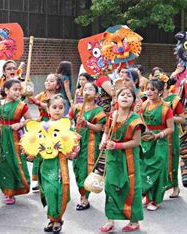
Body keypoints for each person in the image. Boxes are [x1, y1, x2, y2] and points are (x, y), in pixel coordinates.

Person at [100, 87, 146, 233]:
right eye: (122, 94)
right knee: (110, 186)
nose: (125, 97)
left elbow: (136, 142)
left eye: (129, 95)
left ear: (133, 101)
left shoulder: (135, 120)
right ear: (117, 98)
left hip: (129, 158)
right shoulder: (111, 115)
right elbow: (106, 132)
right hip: (113, 157)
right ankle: (110, 220)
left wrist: (117, 145)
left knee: (131, 187)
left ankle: (134, 221)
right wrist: (103, 141)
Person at [37, 94, 77, 233]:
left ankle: (57, 219)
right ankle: (52, 218)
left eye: (61, 107)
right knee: (48, 192)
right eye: (54, 107)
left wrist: (73, 152)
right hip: (46, 165)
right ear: (48, 109)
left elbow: (74, 144)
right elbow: (34, 144)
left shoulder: (67, 126)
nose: (57, 110)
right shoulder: (42, 126)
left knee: (59, 192)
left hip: (60, 164)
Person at [0, 79, 32, 205]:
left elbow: (29, 120)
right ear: (6, 90)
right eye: (15, 89)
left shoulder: (22, 105)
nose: (18, 92)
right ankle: (6, 190)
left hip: (14, 137)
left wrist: (20, 124)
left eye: (19, 90)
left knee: (14, 162)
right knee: (2, 163)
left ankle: (13, 191)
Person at [69, 82, 106, 210]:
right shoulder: (76, 108)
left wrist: (87, 124)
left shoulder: (99, 111)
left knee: (86, 170)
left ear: (96, 94)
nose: (87, 91)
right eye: (85, 89)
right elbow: (68, 121)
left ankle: (84, 198)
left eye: (91, 89)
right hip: (76, 142)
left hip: (90, 143)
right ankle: (82, 193)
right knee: (77, 169)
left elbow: (99, 128)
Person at [140, 79, 174, 211]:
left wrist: (158, 135)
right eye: (147, 89)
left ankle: (155, 200)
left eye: (153, 90)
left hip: (159, 142)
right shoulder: (143, 105)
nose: (149, 92)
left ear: (160, 92)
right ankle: (148, 195)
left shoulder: (166, 107)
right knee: (145, 168)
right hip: (145, 141)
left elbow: (170, 128)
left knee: (157, 169)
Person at [28, 73, 63, 192]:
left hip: (53, 125)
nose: (48, 82)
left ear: (58, 85)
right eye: (47, 80)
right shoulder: (41, 94)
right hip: (42, 124)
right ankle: (39, 180)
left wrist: (36, 101)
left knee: (52, 152)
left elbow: (46, 106)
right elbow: (29, 99)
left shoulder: (58, 97)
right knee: (40, 152)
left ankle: (53, 178)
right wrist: (27, 88)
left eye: (52, 81)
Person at [162, 78, 185, 198]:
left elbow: (182, 118)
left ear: (165, 85)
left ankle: (175, 186)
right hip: (158, 133)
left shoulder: (175, 99)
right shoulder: (150, 100)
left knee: (173, 158)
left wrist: (168, 117)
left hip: (172, 133)